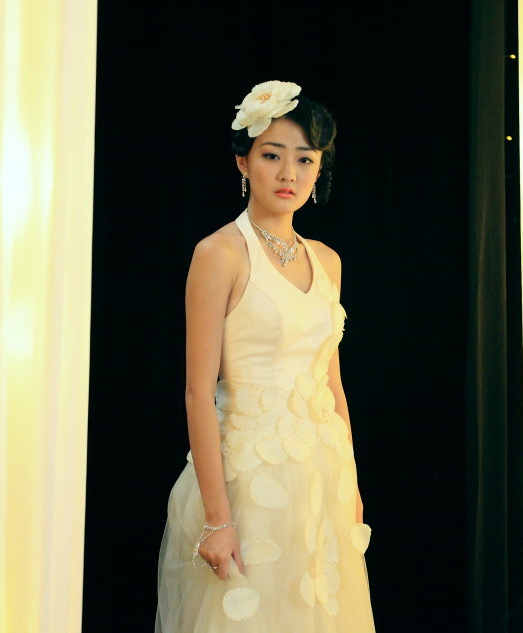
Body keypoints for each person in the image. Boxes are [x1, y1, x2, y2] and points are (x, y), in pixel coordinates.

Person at [153, 80, 376, 632]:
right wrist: (217, 519)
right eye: (272, 156)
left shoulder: (327, 261)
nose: (288, 173)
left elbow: (332, 387)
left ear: (318, 169)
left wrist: (350, 484)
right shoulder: (219, 253)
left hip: (321, 477)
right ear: (243, 162)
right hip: (247, 482)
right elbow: (197, 392)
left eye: (304, 159)